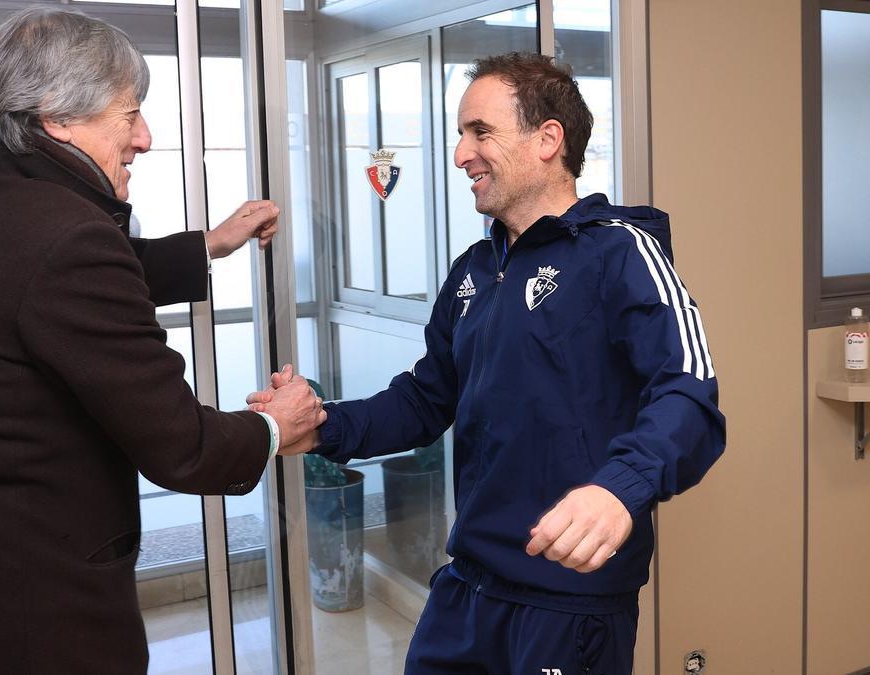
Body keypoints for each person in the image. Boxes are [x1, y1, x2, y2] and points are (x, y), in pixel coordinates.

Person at [0, 7, 324, 674]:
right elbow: (182, 446)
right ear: (57, 115)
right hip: (32, 627)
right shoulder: (67, 236)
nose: (145, 137)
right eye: (129, 112)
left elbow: (31, 291)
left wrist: (209, 244)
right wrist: (277, 428)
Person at [250, 52, 726, 674]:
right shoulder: (476, 269)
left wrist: (618, 490)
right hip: (468, 585)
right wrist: (323, 426)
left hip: (568, 601)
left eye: (480, 132)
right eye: (460, 134)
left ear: (547, 140)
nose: (460, 154)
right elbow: (426, 399)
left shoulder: (622, 253)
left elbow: (689, 395)